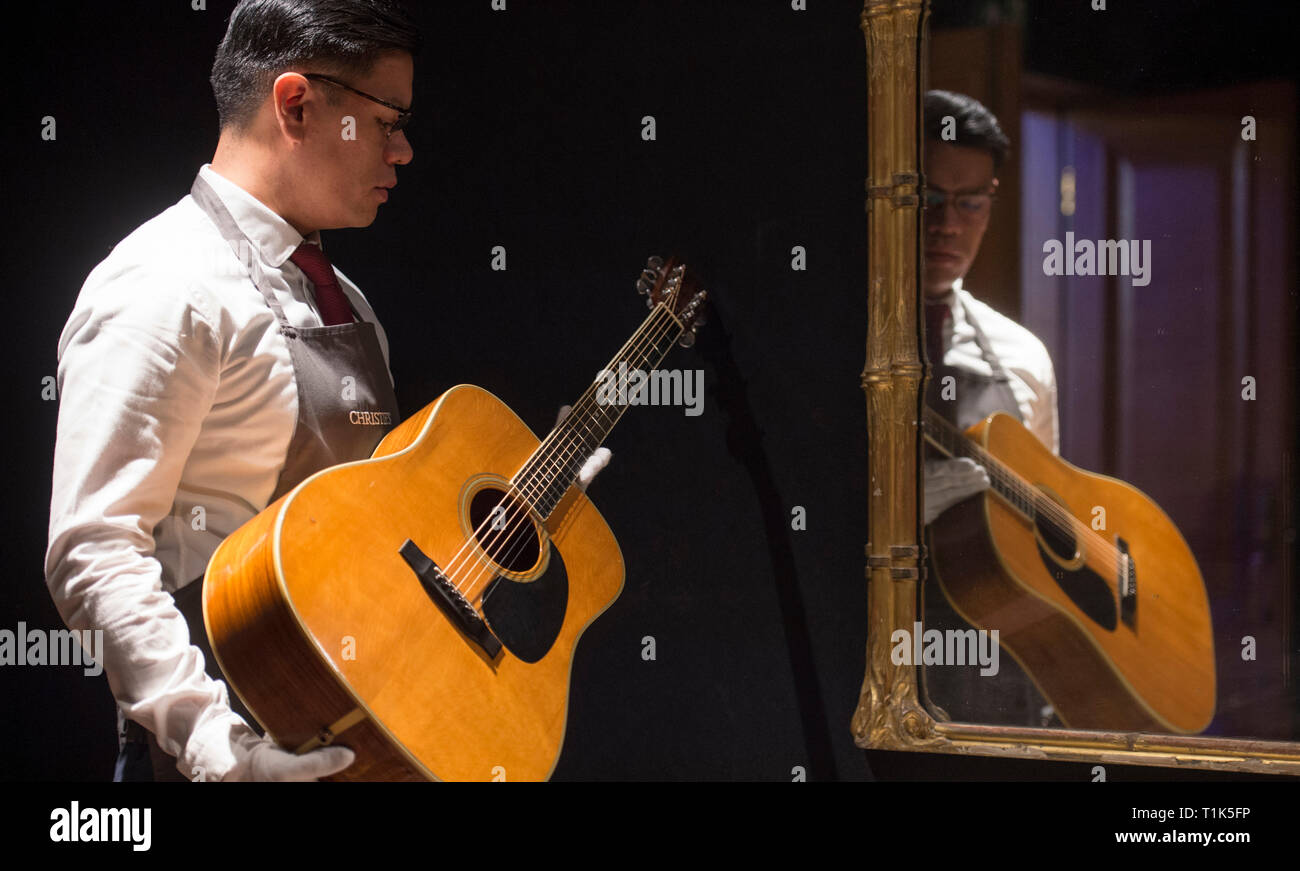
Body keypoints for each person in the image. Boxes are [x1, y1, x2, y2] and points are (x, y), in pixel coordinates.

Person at [44, 0, 607, 783]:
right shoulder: (162, 284)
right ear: (297, 105)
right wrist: (218, 752)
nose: (404, 150)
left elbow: (379, 527)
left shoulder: (350, 303)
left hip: (370, 733)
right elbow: (94, 550)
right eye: (388, 121)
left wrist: (529, 504)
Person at [918, 90, 1061, 726]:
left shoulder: (1022, 355)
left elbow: (1048, 526)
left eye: (970, 202)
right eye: (926, 199)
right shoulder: (837, 345)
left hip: (1000, 668)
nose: (946, 224)